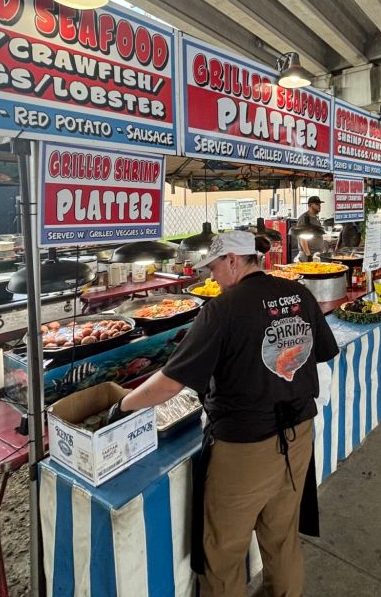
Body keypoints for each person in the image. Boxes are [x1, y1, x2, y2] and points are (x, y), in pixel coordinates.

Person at [111, 231, 339, 597]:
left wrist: (120, 406)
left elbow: (171, 383)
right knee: (281, 539)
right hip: (299, 436)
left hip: (245, 449)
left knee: (222, 554)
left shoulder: (223, 309)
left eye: (214, 268)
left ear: (233, 260)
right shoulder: (298, 294)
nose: (211, 277)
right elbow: (322, 351)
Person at [295, 195, 325, 261]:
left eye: (320, 204)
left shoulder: (316, 218)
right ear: (310, 205)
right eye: (317, 204)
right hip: (308, 255)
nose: (319, 206)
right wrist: (308, 255)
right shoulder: (303, 218)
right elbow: (302, 238)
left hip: (316, 254)